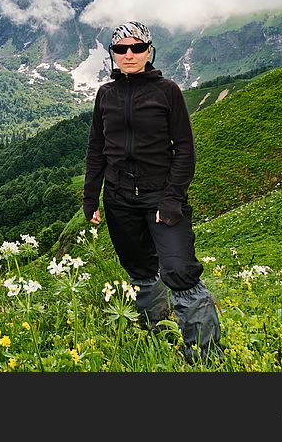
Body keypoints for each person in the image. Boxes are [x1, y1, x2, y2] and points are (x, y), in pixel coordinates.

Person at [82, 21, 222, 363]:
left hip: (160, 197)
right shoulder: (105, 94)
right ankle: (155, 336)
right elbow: (97, 148)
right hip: (118, 199)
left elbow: (185, 149)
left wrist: (173, 198)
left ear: (149, 51)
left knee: (180, 272)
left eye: (136, 48)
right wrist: (91, 197)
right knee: (141, 270)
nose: (129, 55)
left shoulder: (167, 91)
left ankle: (205, 358)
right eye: (120, 49)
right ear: (113, 54)